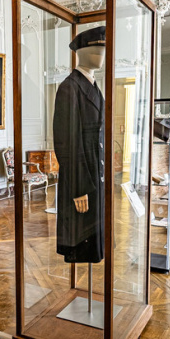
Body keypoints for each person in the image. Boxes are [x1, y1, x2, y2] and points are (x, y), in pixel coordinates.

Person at [52, 26, 106, 264]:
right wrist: (79, 187)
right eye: (97, 50)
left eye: (103, 50)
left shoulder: (93, 86)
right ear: (82, 53)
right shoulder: (69, 87)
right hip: (82, 177)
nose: (102, 55)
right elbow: (66, 142)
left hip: (95, 173)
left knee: (94, 238)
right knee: (82, 239)